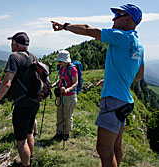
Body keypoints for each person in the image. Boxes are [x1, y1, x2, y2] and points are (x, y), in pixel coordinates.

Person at [51, 3, 144, 167]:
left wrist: (64, 26)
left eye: (118, 15)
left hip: (113, 101)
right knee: (117, 144)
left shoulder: (121, 36)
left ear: (128, 18)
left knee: (103, 148)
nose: (113, 19)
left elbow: (88, 29)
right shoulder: (139, 45)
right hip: (125, 101)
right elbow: (139, 74)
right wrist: (117, 81)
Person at [0, 32, 40, 167]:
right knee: (29, 132)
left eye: (12, 42)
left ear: (16, 44)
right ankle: (29, 160)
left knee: (21, 140)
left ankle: (26, 164)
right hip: (34, 102)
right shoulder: (34, 57)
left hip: (22, 104)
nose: (10, 45)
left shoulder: (14, 57)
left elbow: (7, 82)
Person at [51, 50, 78, 141]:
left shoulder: (73, 69)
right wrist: (54, 85)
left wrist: (68, 89)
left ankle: (66, 133)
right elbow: (60, 79)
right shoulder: (62, 68)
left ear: (66, 60)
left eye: (60, 61)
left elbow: (76, 83)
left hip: (70, 95)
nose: (59, 62)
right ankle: (59, 132)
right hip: (60, 94)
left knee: (67, 115)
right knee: (59, 113)